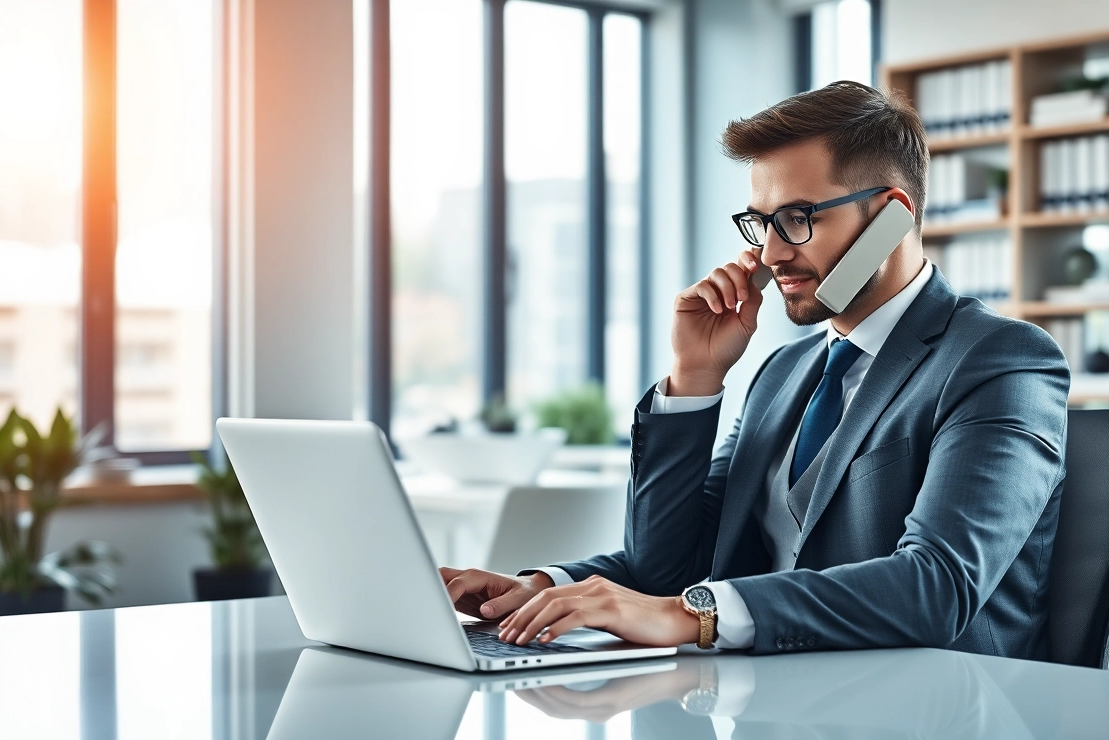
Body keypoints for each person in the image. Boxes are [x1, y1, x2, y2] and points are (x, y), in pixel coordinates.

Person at [443, 80, 1069, 659]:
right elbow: (670, 570)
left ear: (892, 215)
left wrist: (693, 614)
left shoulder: (1000, 360)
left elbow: (937, 587)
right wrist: (693, 380)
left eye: (797, 219)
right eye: (761, 223)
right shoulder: (783, 373)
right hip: (773, 708)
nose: (770, 254)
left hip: (936, 713)